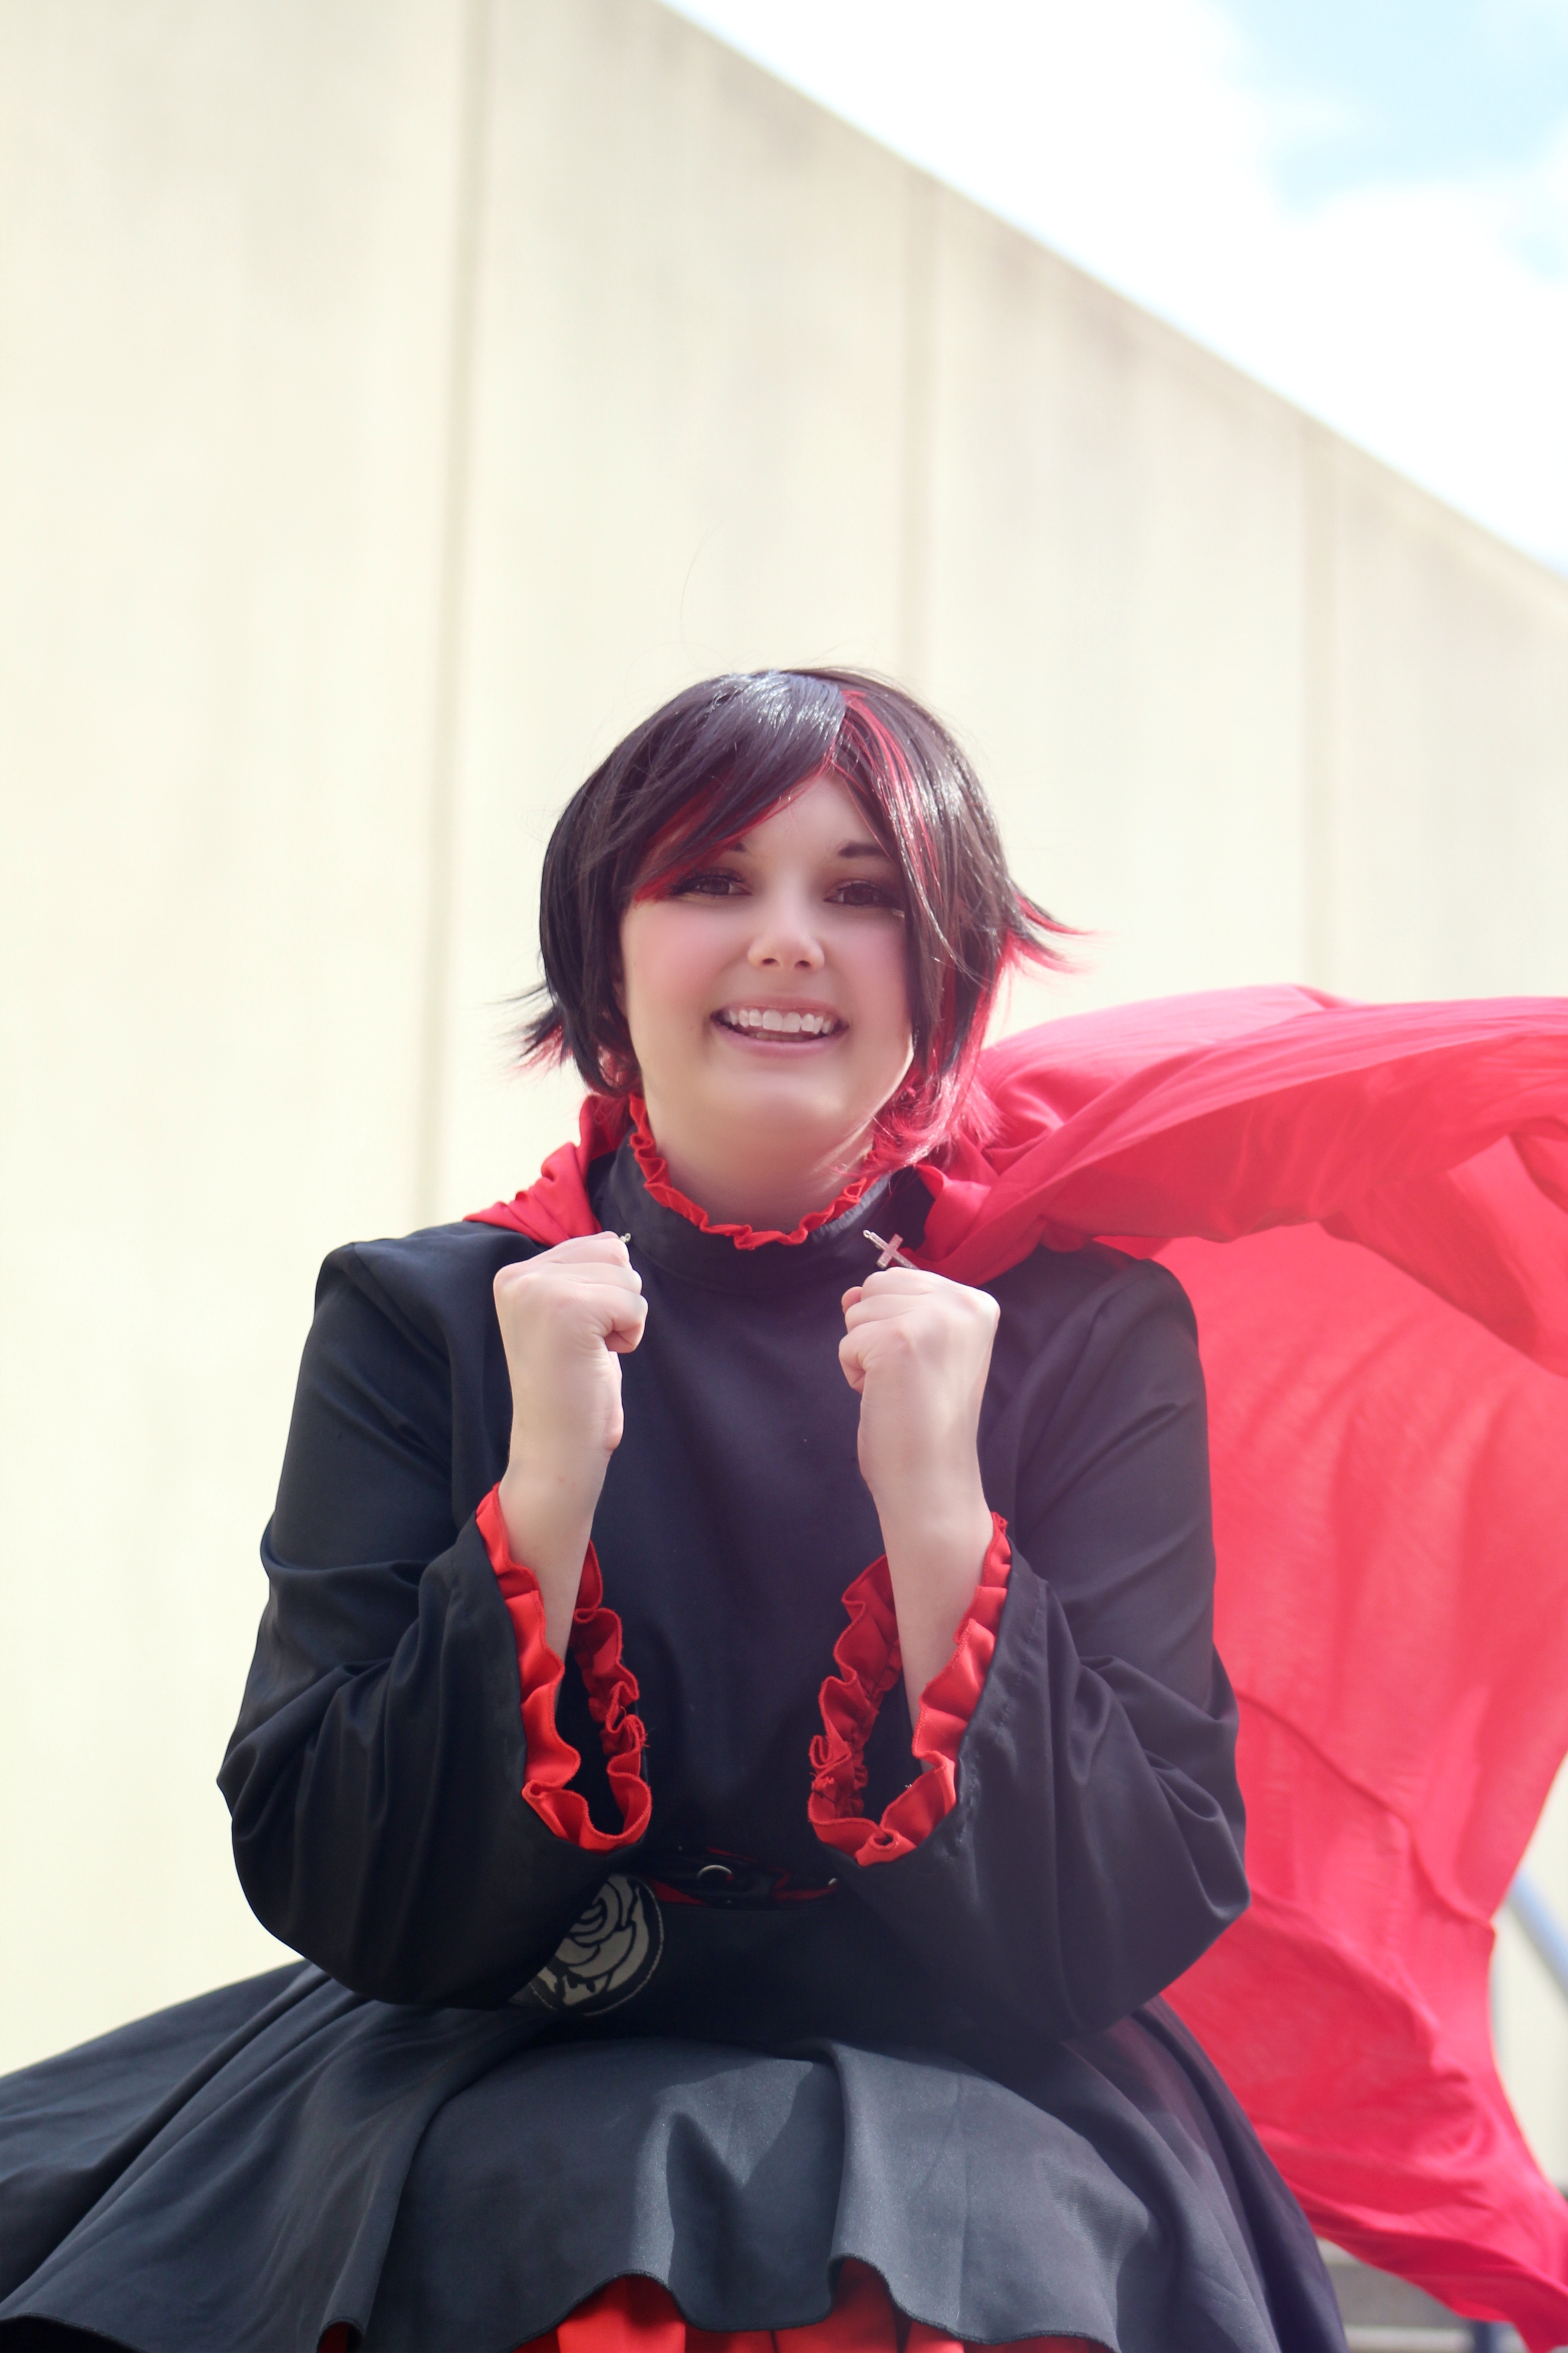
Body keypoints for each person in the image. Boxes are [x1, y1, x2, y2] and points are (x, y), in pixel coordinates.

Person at [0, 670, 1357, 2353]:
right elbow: (348, 1892)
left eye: (862, 893)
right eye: (713, 877)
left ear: (946, 968)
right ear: (606, 955)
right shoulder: (424, 1315)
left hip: (985, 2082)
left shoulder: (1084, 1331)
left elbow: (1116, 1923)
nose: (787, 939)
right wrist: (543, 1498)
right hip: (489, 2059)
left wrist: (941, 1522)